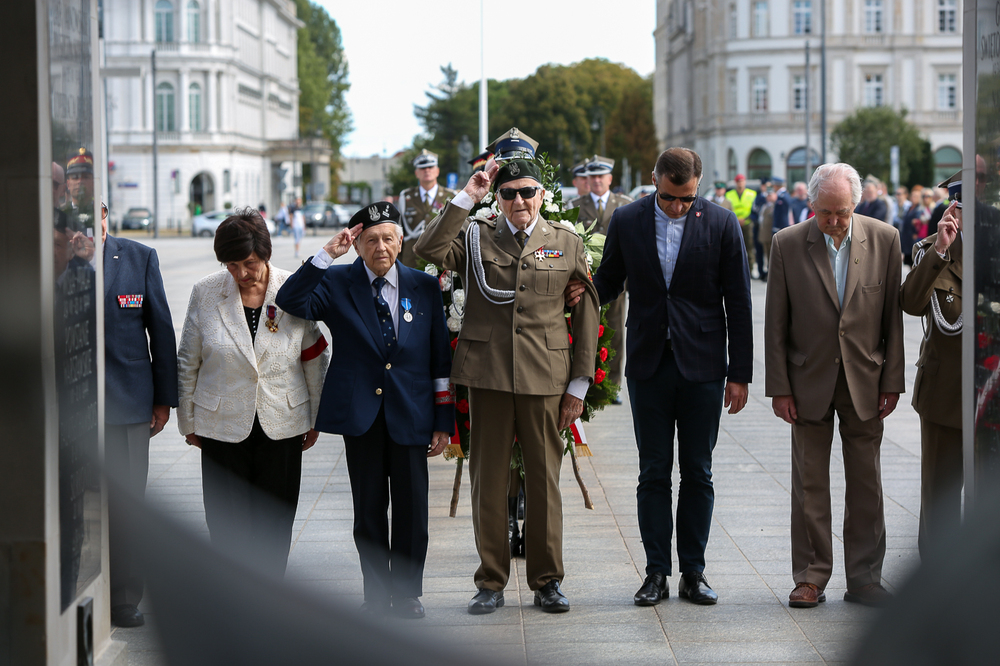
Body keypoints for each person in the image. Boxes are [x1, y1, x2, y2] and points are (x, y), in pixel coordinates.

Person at [415, 151, 600, 615]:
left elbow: (587, 312)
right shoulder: (475, 237)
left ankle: (547, 580)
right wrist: (466, 197)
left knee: (544, 481)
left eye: (527, 192)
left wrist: (579, 387)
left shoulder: (564, 241)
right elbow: (428, 250)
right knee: (489, 481)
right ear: (498, 198)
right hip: (489, 375)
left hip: (545, 377)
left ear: (541, 195)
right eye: (509, 193)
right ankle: (491, 580)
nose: (519, 200)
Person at [570, 147, 753, 607]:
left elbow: (740, 300)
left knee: (698, 471)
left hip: (704, 366)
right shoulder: (629, 220)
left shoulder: (721, 222)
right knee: (653, 472)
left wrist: (741, 374)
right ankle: (656, 572)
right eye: (670, 197)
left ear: (699, 186)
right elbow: (610, 278)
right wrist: (580, 288)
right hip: (649, 364)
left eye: (687, 199)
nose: (678, 207)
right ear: (654, 180)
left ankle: (694, 571)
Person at [276, 203, 454, 619]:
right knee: (369, 509)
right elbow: (290, 299)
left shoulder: (423, 287)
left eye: (388, 238)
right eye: (370, 239)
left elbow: (440, 361)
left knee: (412, 510)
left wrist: (444, 422)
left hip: (412, 414)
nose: (380, 247)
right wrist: (325, 255)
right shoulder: (338, 281)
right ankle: (375, 594)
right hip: (362, 415)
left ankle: (407, 594)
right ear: (357, 244)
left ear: (401, 241)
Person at [764, 163, 904, 609]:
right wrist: (779, 388)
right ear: (812, 206)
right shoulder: (787, 244)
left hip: (865, 380)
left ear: (855, 205)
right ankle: (810, 577)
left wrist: (893, 381)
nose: (834, 222)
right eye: (825, 213)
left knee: (867, 483)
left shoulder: (885, 239)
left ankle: (864, 579)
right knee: (809, 484)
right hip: (807, 381)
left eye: (842, 213)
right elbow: (775, 324)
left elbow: (893, 322)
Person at [177, 209, 330, 576]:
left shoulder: (292, 289)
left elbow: (313, 358)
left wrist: (317, 417)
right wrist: (187, 421)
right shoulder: (205, 291)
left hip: (283, 421)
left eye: (248, 263)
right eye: (231, 265)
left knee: (275, 520)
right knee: (225, 523)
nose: (241, 274)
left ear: (265, 253)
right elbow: (187, 361)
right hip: (220, 424)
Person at [100, 203, 178, 628]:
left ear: (105, 214)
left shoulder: (138, 257)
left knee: (127, 503)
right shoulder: (54, 258)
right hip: (72, 405)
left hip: (129, 402)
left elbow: (161, 330)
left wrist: (163, 399)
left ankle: (124, 597)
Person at [900, 172, 964, 557]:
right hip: (947, 391)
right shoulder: (932, 251)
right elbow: (911, 303)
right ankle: (940, 579)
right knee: (941, 490)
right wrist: (941, 249)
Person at [566, 154, 633, 392]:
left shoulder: (626, 203)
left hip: (616, 278)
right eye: (592, 176)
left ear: (610, 178)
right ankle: (586, 381)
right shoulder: (574, 206)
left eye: (601, 176)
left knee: (614, 328)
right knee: (585, 328)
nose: (596, 181)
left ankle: (612, 383)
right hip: (585, 278)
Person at [397, 150, 456, 268]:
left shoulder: (450, 196)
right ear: (416, 173)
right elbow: (399, 232)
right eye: (423, 168)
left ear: (437, 171)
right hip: (410, 261)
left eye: (430, 167)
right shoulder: (406, 197)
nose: (427, 170)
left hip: (440, 260)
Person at [725, 174, 756, 272]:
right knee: (734, 247)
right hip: (734, 223)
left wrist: (745, 219)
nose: (740, 184)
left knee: (749, 247)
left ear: (745, 182)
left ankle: (750, 270)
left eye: (742, 181)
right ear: (735, 183)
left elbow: (754, 210)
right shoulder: (729, 194)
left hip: (747, 223)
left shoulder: (752, 194)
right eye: (738, 182)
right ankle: (736, 269)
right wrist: (736, 219)